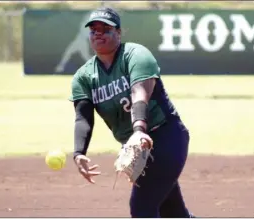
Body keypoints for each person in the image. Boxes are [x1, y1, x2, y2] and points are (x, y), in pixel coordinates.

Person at [69, 7, 195, 218]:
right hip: (138, 149)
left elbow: (139, 93)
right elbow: (83, 118)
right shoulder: (83, 77)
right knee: (174, 214)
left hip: (166, 138)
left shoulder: (136, 55)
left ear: (118, 32)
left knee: (142, 208)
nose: (98, 33)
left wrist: (138, 129)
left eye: (105, 28)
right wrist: (79, 152)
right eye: (93, 29)